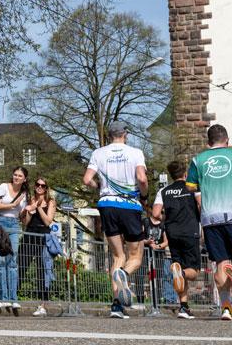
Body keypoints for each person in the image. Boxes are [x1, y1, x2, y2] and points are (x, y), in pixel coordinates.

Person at [185, 124, 232, 321]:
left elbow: (190, 186)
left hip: (210, 219)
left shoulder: (197, 160)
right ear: (227, 139)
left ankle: (226, 308)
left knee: (220, 263)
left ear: (208, 142)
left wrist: (206, 185)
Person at [82, 120, 148, 320]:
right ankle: (124, 275)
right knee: (135, 257)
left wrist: (99, 187)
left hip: (107, 205)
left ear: (109, 135)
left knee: (118, 257)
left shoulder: (98, 153)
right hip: (129, 205)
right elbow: (142, 178)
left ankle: (117, 306)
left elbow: (86, 179)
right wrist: (144, 196)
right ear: (125, 134)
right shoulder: (135, 152)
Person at [151, 160, 201, 320]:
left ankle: (184, 307)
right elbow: (201, 205)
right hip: (190, 230)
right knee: (193, 271)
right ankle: (182, 273)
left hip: (172, 232)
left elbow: (156, 214)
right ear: (185, 173)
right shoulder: (192, 187)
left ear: (171, 175)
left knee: (178, 266)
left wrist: (167, 218)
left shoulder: (163, 191)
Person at [19, 175, 57, 317]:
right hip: (30, 235)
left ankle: (43, 304)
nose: (40, 187)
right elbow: (25, 223)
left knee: (42, 270)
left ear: (46, 188)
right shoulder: (31, 200)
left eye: (43, 185)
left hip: (43, 236)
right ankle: (14, 298)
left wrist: (39, 208)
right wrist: (30, 210)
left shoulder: (51, 202)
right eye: (37, 185)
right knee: (21, 265)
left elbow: (48, 222)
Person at [0, 165, 29, 312]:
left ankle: (13, 298)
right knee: (0, 261)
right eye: (15, 174)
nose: (16, 177)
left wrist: (27, 211)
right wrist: (13, 204)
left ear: (24, 179)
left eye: (20, 176)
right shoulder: (3, 187)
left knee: (12, 261)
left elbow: (21, 216)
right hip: (1, 222)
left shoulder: (24, 194)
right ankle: (1, 297)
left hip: (14, 224)